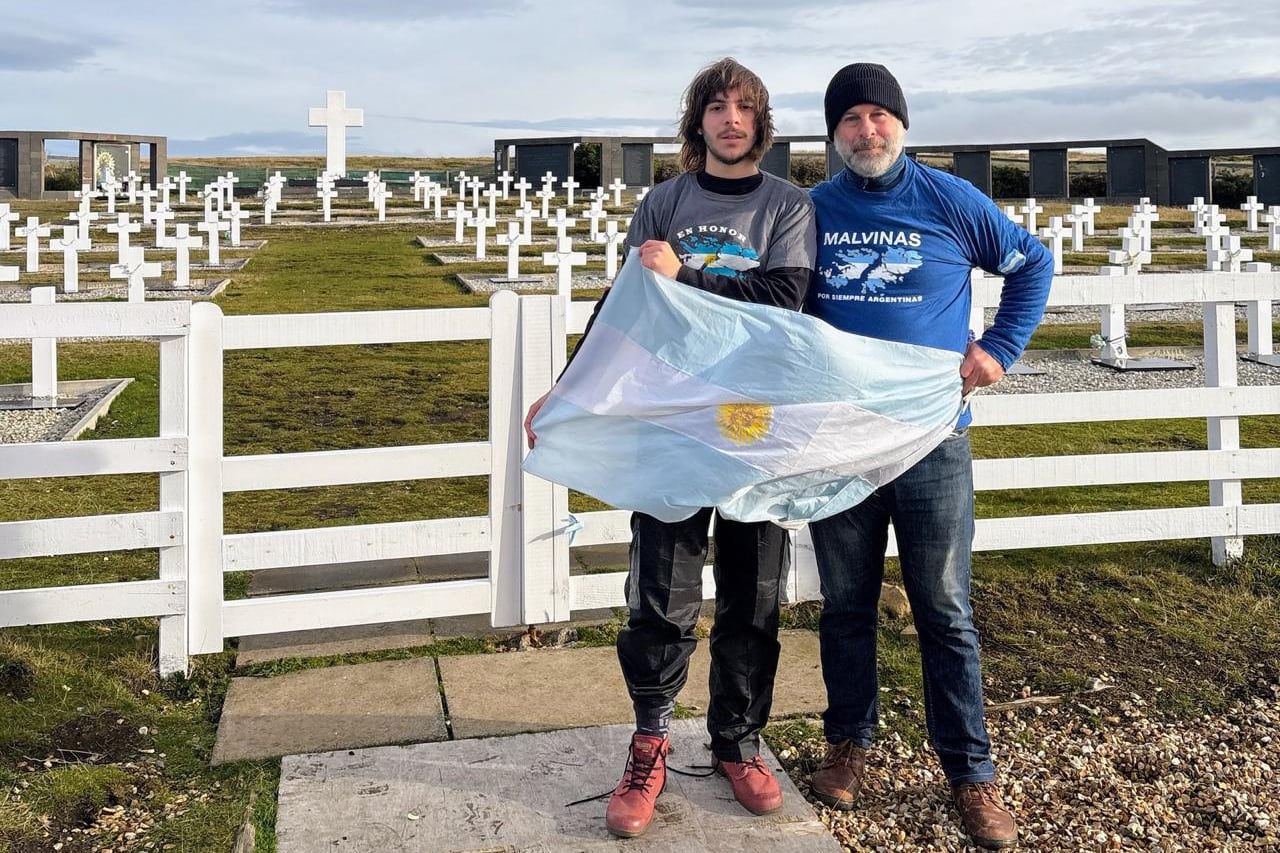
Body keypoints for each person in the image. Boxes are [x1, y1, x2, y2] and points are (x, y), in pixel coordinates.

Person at [524, 57, 816, 838]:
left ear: (760, 122)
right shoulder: (664, 200)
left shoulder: (788, 206)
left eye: (744, 107)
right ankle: (651, 738)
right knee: (660, 590)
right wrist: (570, 386)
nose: (730, 119)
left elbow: (784, 300)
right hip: (671, 423)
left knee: (755, 593)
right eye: (716, 107)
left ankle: (737, 740)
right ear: (698, 122)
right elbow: (626, 309)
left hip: (755, 424)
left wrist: (684, 272)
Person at [804, 63, 1053, 850]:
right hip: (842, 441)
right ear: (834, 132)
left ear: (902, 126)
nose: (866, 130)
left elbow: (1033, 262)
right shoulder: (810, 210)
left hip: (932, 439)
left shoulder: (949, 200)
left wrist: (1000, 349)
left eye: (879, 116)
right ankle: (849, 745)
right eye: (850, 119)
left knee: (944, 608)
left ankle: (971, 774)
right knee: (845, 604)